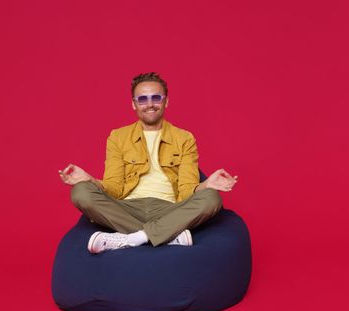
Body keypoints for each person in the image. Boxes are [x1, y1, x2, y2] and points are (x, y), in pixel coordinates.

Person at [59, 72, 238, 254]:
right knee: (80, 192)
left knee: (212, 198)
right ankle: (168, 236)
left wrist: (207, 184)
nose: (150, 104)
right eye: (142, 99)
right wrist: (90, 179)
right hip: (127, 208)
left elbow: (186, 192)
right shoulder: (117, 137)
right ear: (134, 104)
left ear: (166, 101)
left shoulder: (184, 138)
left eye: (156, 98)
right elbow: (114, 189)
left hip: (169, 209)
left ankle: (133, 239)